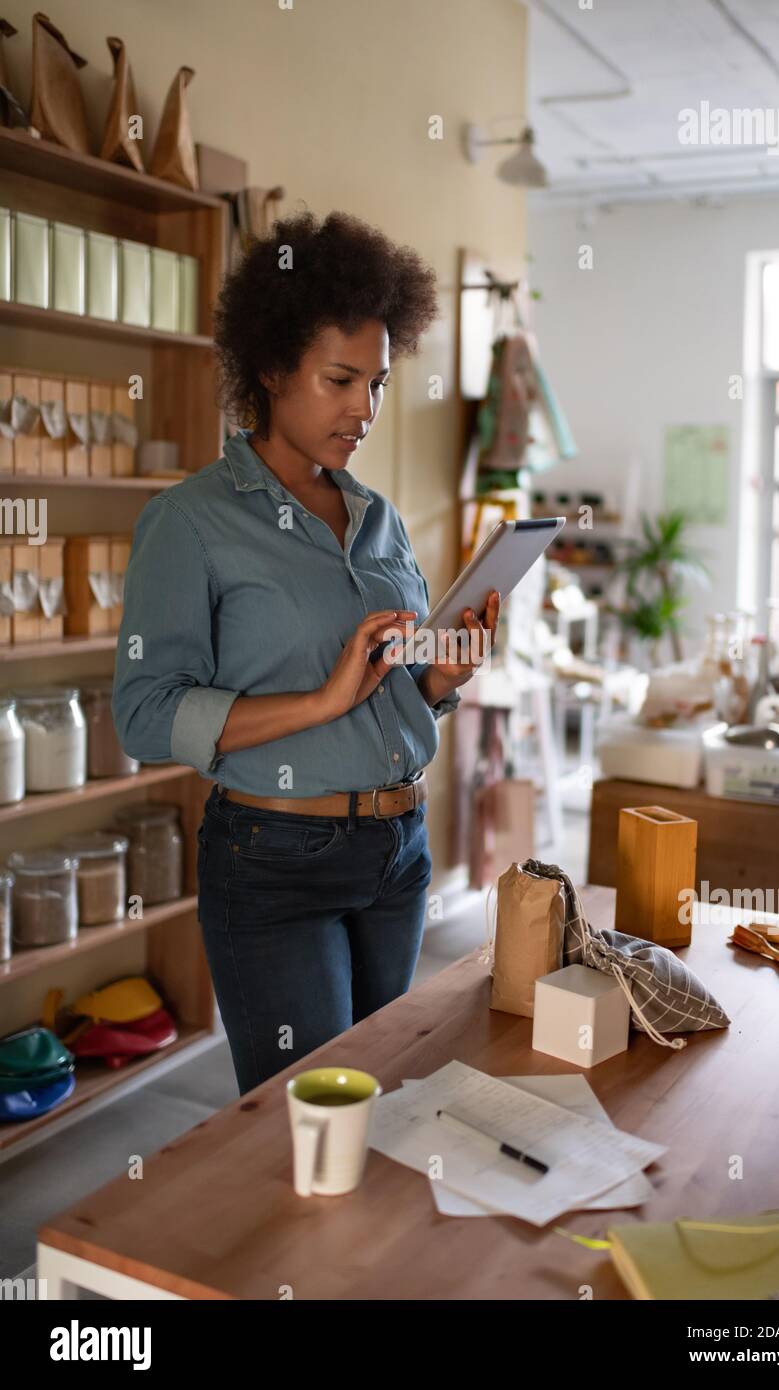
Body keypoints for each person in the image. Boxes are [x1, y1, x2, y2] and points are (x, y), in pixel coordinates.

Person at [112, 210, 500, 1094]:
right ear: (273, 367)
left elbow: (390, 688)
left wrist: (437, 679)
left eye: (379, 383)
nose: (364, 409)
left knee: (382, 1101)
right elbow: (143, 714)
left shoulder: (380, 518)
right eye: (340, 380)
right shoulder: (191, 521)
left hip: (399, 852)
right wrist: (320, 702)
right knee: (313, 1118)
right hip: (275, 858)